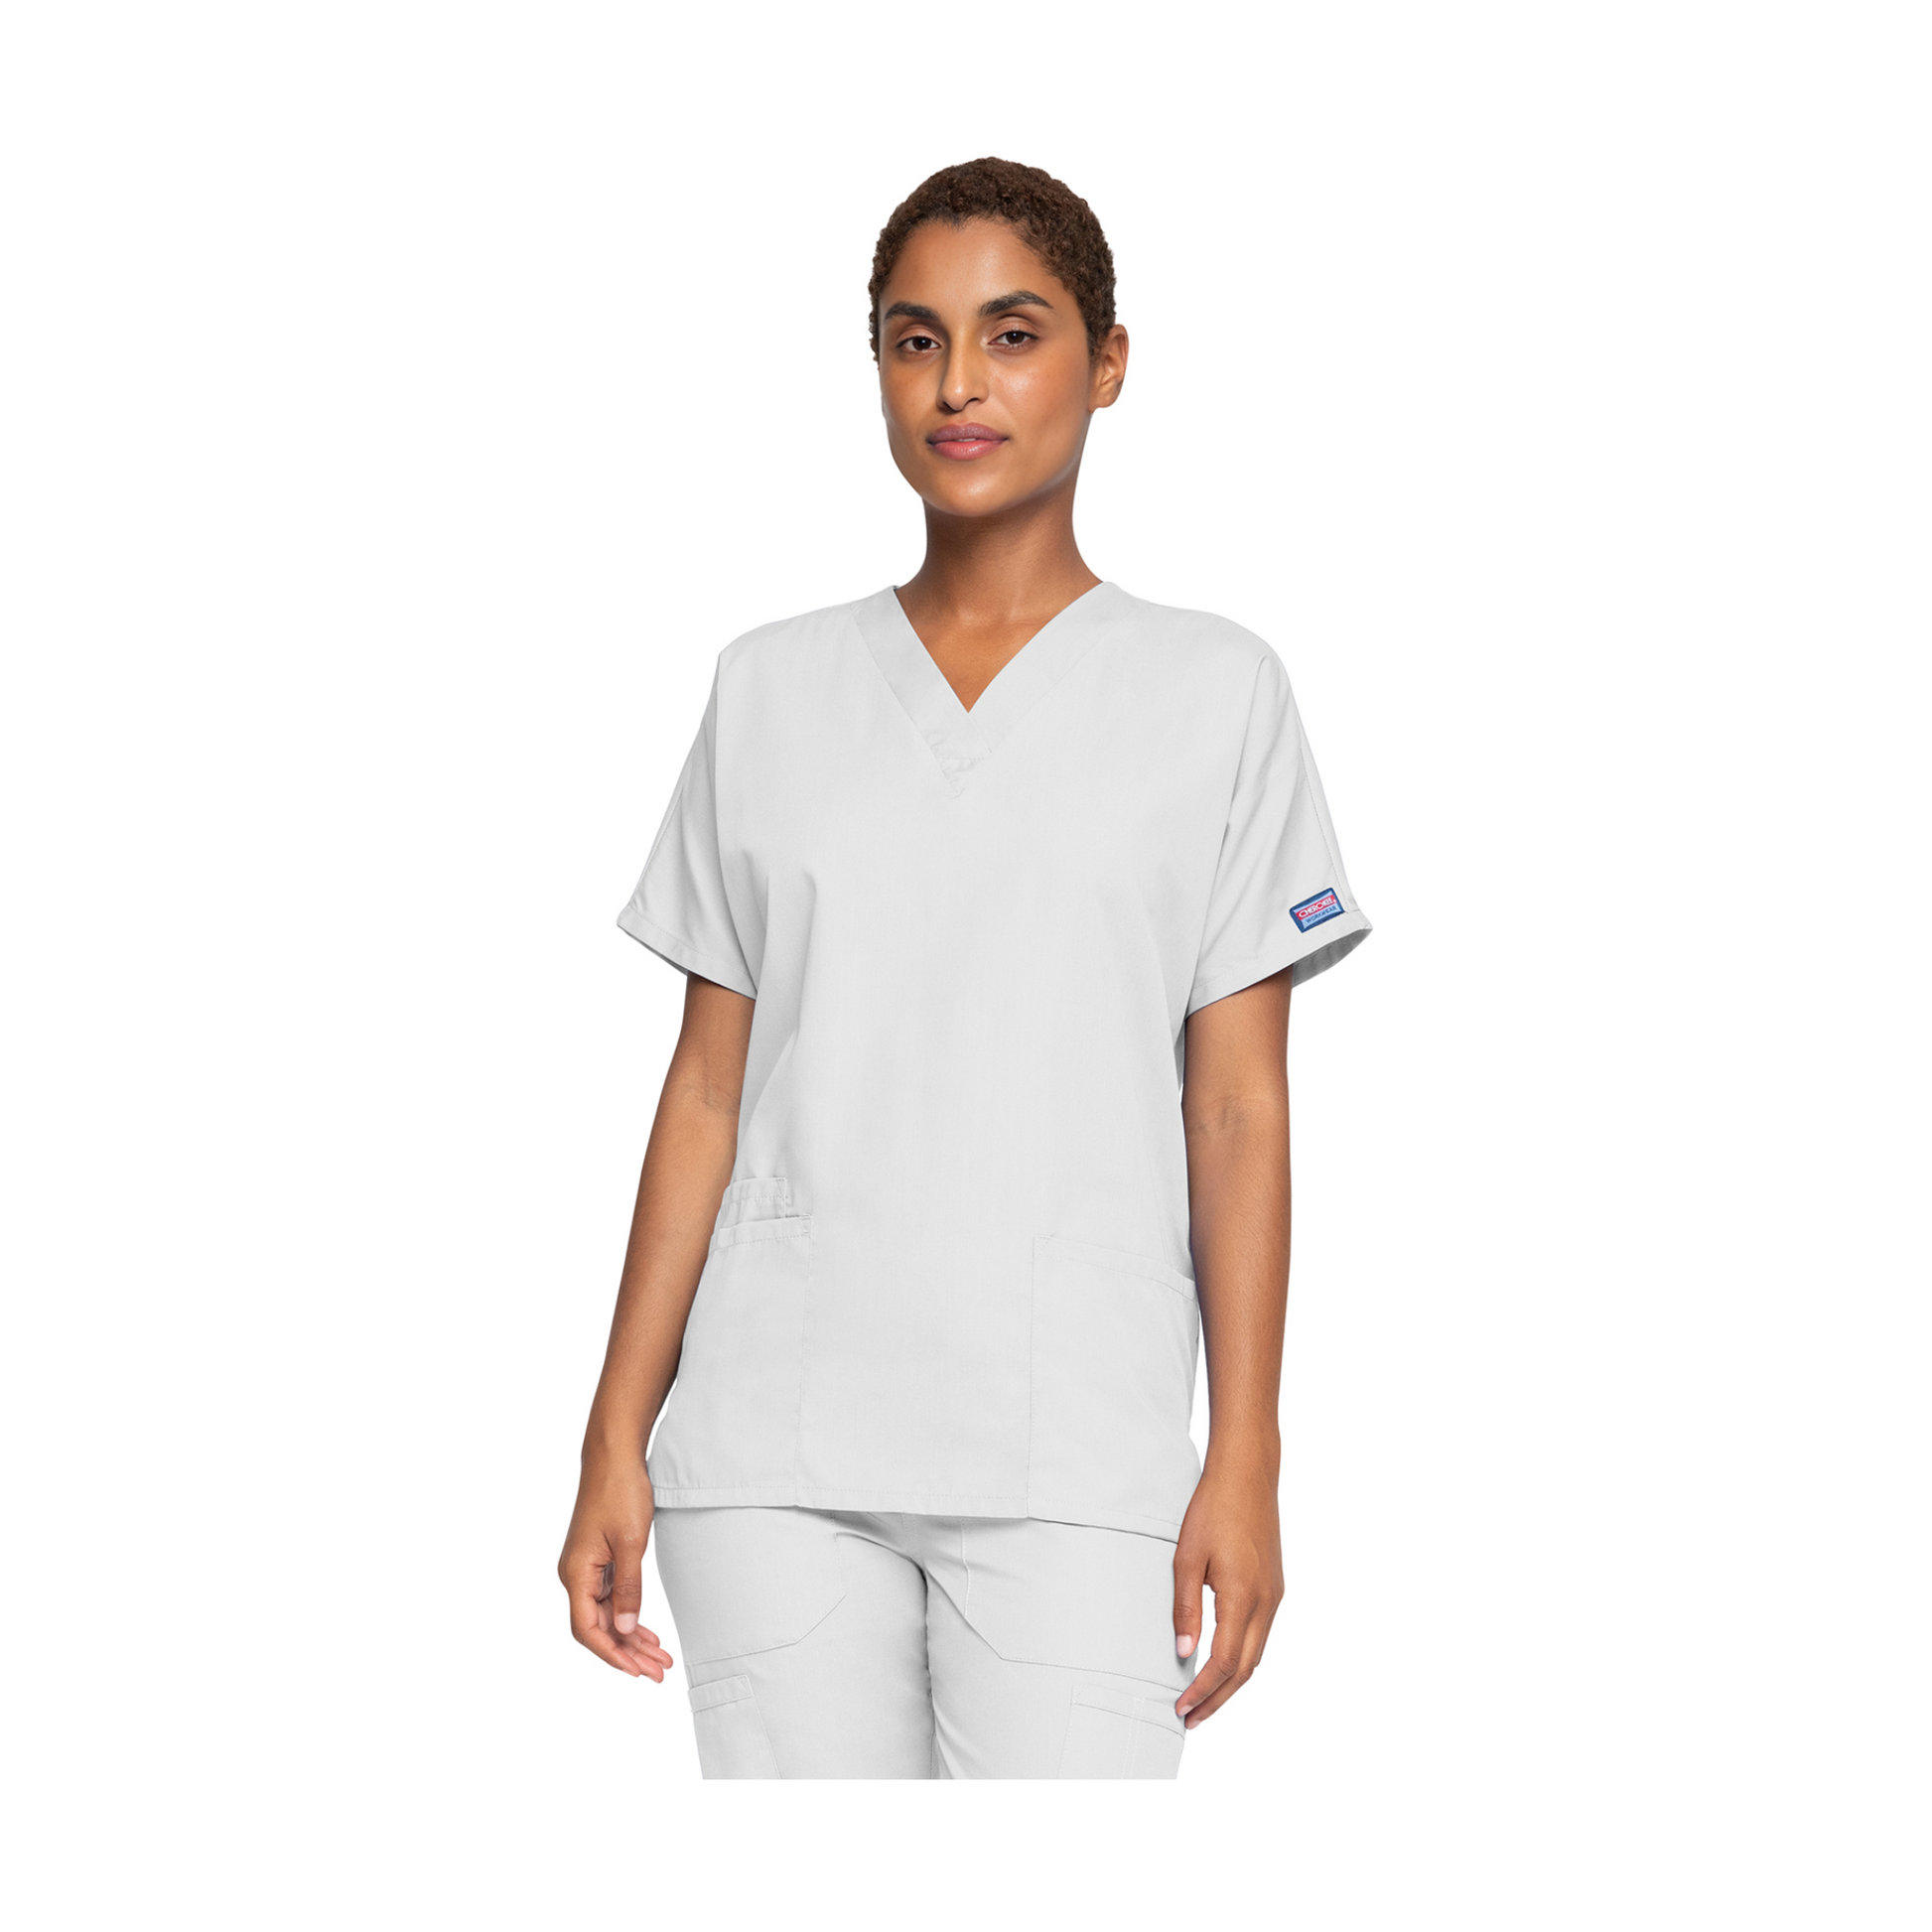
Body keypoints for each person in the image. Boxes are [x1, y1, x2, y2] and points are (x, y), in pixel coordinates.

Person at [558, 157, 1371, 1779]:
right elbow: (707, 1089)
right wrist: (611, 1433)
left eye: (1012, 333)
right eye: (913, 340)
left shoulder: (1215, 693)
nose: (957, 385)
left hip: (1075, 1445)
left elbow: (1236, 1110)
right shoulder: (769, 687)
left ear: (1107, 361)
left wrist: (1248, 1454)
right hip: (773, 1447)